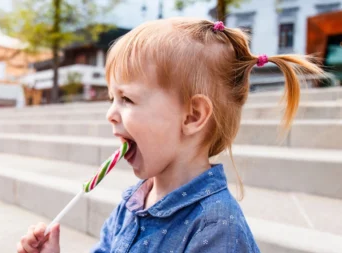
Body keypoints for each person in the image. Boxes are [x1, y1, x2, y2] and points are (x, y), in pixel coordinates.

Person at [17, 18, 324, 253]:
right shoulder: (133, 202)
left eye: (127, 99)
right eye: (112, 98)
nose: (110, 113)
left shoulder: (216, 229)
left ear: (192, 116)